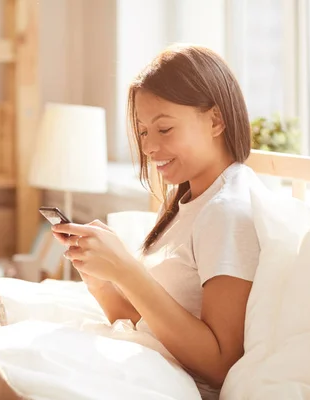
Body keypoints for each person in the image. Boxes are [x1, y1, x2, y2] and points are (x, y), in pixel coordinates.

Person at [51, 44, 264, 399]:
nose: (148, 147)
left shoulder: (227, 211)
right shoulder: (188, 202)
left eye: (163, 129)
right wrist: (100, 280)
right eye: (143, 131)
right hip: (137, 367)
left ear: (215, 120)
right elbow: (144, 323)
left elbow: (221, 365)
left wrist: (125, 270)